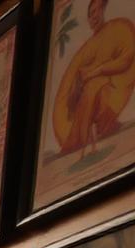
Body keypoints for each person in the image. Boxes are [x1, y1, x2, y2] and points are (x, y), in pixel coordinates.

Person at [53, 0, 135, 157]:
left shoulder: (116, 29)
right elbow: (77, 72)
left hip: (110, 88)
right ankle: (84, 145)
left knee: (94, 87)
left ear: (103, 10)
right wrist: (84, 78)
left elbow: (125, 58)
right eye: (91, 14)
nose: (94, 16)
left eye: (96, 11)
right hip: (86, 95)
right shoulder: (88, 47)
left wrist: (96, 72)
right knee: (89, 91)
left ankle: (95, 136)